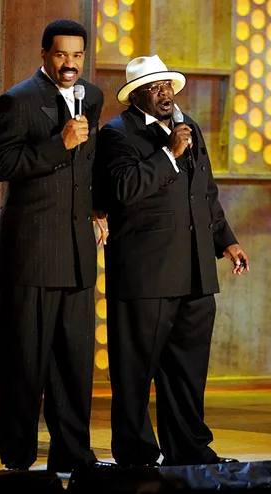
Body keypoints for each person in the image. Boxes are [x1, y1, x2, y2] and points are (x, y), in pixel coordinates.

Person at [93, 54, 249, 467]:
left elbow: (206, 194)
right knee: (135, 373)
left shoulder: (189, 127)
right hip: (146, 275)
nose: (164, 94)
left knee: (187, 372)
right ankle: (137, 454)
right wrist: (169, 154)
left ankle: (190, 449)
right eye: (154, 88)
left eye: (167, 86)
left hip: (196, 273)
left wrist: (227, 241)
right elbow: (123, 191)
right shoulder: (117, 134)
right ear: (136, 96)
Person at [0, 19, 107, 472]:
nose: (70, 64)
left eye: (77, 56)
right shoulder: (17, 100)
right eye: (61, 55)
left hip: (77, 254)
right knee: (24, 366)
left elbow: (87, 167)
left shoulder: (91, 98)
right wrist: (60, 144)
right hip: (32, 254)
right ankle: (17, 460)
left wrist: (97, 210)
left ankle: (73, 454)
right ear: (44, 54)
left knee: (73, 364)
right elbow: (0, 164)